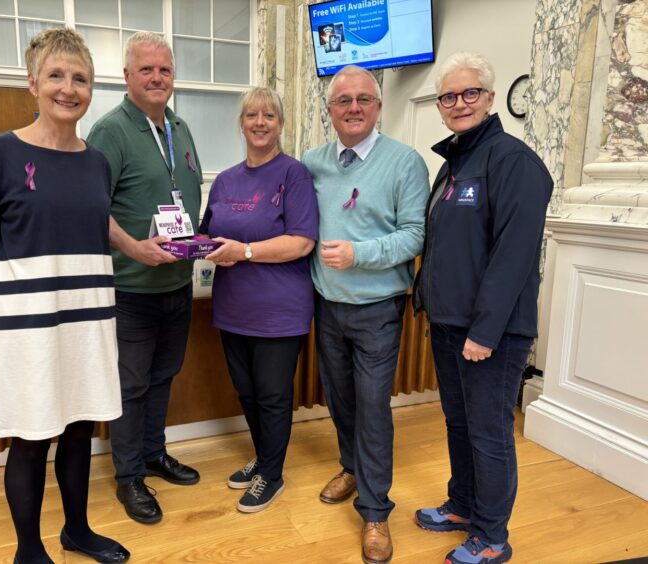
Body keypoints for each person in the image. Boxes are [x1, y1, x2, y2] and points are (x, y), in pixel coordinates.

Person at [0, 29, 129, 564]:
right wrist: (10, 322)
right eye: (56, 75)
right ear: (33, 82)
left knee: (80, 430)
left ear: (91, 89)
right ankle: (29, 550)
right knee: (32, 437)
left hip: (87, 323)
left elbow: (96, 232)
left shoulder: (97, 162)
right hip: (27, 327)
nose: (68, 88)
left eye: (80, 78)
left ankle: (76, 530)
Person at [413, 52, 553, 564]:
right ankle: (464, 504)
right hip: (449, 326)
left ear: (490, 99)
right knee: (458, 422)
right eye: (448, 96)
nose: (458, 103)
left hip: (488, 333)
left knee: (490, 431)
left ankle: (493, 535)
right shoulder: (455, 163)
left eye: (470, 93)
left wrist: (485, 332)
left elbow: (513, 256)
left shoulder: (512, 161)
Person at [301, 65, 429, 564]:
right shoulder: (313, 162)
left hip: (377, 309)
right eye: (343, 101)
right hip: (326, 306)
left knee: (373, 409)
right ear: (330, 110)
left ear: (378, 106)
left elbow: (414, 235)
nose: (353, 108)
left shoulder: (405, 163)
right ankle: (351, 466)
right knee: (340, 400)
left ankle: (375, 511)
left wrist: (360, 253)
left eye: (363, 99)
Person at [86, 31, 202, 525]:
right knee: (130, 387)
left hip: (177, 284)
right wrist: (133, 246)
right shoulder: (110, 130)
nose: (157, 77)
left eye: (165, 70)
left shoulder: (179, 125)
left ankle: (154, 453)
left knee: (162, 377)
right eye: (146, 69)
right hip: (131, 289)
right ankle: (129, 476)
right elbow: (90, 208)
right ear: (127, 76)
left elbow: (184, 195)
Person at [199, 87, 318, 513]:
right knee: (246, 392)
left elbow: (302, 242)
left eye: (269, 115)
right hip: (233, 307)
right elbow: (208, 232)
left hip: (279, 309)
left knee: (271, 394)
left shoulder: (294, 174)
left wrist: (244, 251)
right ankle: (264, 456)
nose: (260, 122)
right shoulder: (226, 180)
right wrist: (182, 242)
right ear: (242, 123)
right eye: (252, 115)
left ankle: (272, 472)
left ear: (281, 124)